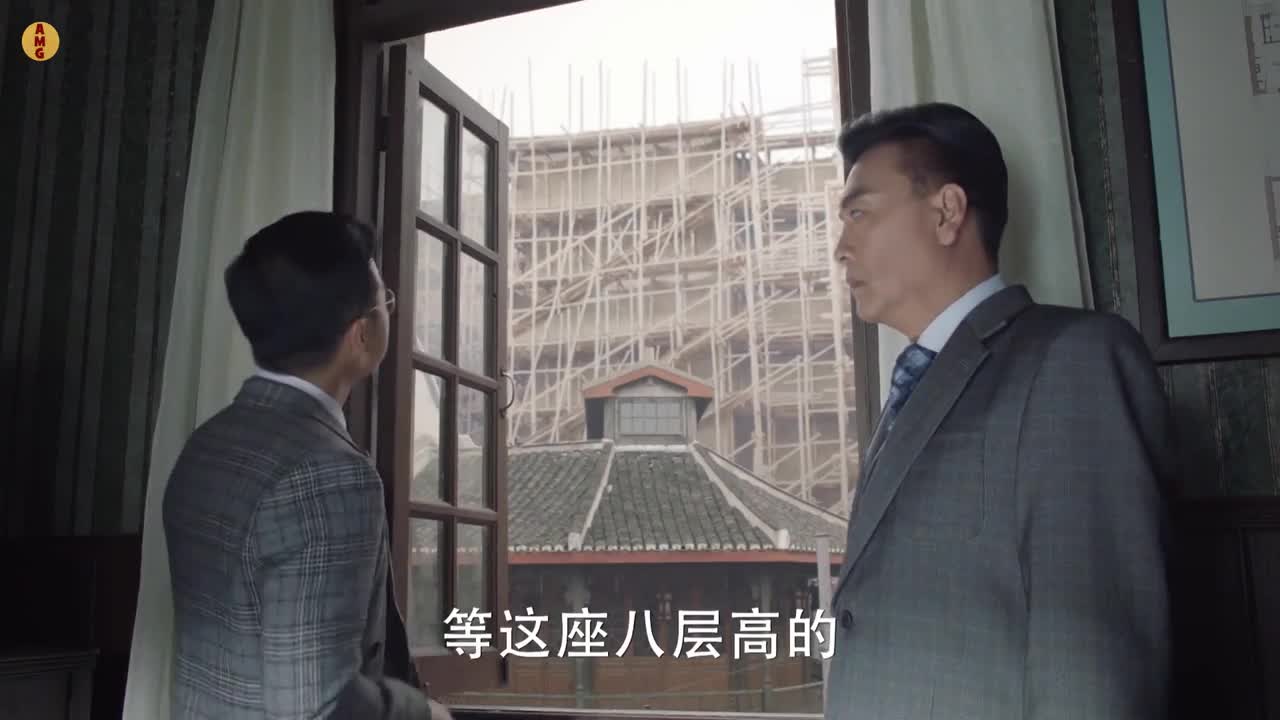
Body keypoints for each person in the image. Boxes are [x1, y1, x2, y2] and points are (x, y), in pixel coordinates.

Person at [826, 103, 1172, 719]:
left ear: (946, 212)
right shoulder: (915, 380)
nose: (840, 248)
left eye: (859, 213)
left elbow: (1092, 664)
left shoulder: (1071, 360)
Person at [163, 211, 449, 719]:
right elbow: (316, 705)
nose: (390, 311)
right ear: (361, 335)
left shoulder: (207, 443)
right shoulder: (328, 475)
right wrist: (424, 714)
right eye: (385, 301)